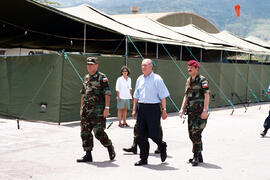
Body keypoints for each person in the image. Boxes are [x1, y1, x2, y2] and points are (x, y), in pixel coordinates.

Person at [77, 57, 116, 163]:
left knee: (98, 132)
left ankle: (109, 145)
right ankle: (88, 154)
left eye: (92, 64)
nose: (89, 66)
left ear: (96, 65)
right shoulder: (86, 78)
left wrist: (106, 108)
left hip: (98, 111)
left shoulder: (101, 77)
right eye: (88, 64)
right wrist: (81, 108)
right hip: (86, 111)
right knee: (85, 133)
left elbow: (107, 93)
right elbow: (83, 94)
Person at [132, 58, 170, 166]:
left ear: (151, 67)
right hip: (141, 108)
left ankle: (162, 146)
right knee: (141, 135)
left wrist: (164, 111)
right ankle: (143, 159)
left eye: (145, 65)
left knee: (153, 134)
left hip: (153, 108)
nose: (143, 67)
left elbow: (163, 97)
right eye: (142, 65)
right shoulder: (140, 79)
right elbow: (136, 96)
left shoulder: (157, 79)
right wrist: (134, 109)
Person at [178, 60, 210, 166]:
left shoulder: (202, 80)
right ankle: (199, 155)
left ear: (197, 68)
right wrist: (182, 109)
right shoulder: (188, 81)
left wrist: (205, 111)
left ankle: (195, 156)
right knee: (191, 135)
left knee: (196, 133)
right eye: (188, 67)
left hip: (200, 113)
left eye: (192, 67)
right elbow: (186, 96)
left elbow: (207, 95)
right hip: (191, 113)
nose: (189, 69)